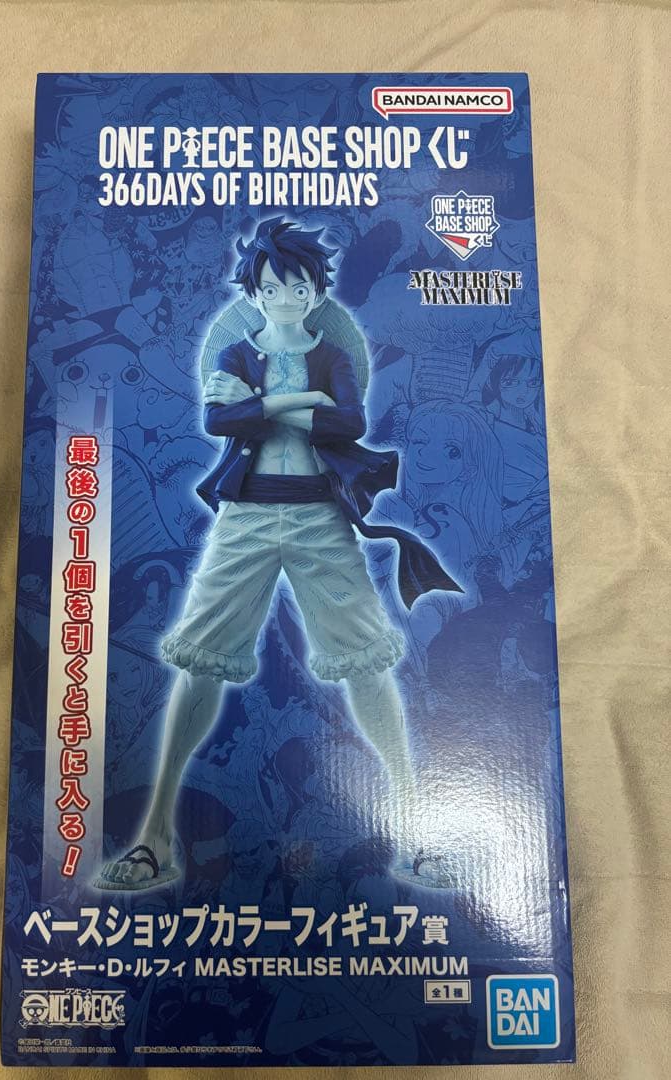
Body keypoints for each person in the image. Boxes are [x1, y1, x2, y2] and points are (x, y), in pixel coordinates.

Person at [97, 218, 459, 891]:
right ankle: (155, 837)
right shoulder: (238, 352)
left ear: (315, 290)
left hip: (322, 516)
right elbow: (220, 419)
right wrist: (300, 400)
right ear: (254, 292)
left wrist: (267, 405)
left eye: (297, 286)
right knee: (200, 661)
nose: (284, 298)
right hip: (246, 518)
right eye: (270, 287)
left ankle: (416, 830)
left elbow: (349, 421)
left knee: (366, 662)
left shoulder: (334, 354)